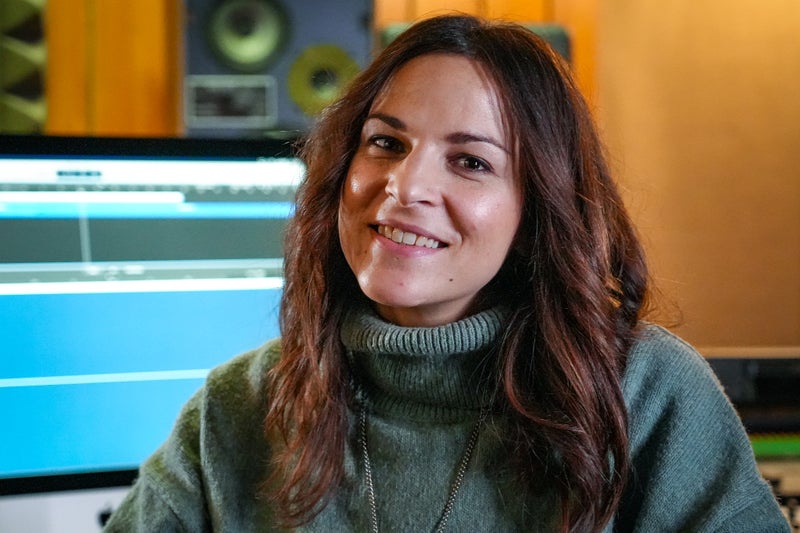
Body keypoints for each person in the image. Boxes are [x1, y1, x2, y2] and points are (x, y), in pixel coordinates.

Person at [104, 14, 789, 532]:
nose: (404, 187)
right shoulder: (238, 408)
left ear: (538, 210)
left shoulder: (647, 392)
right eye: (385, 142)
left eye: (470, 161)